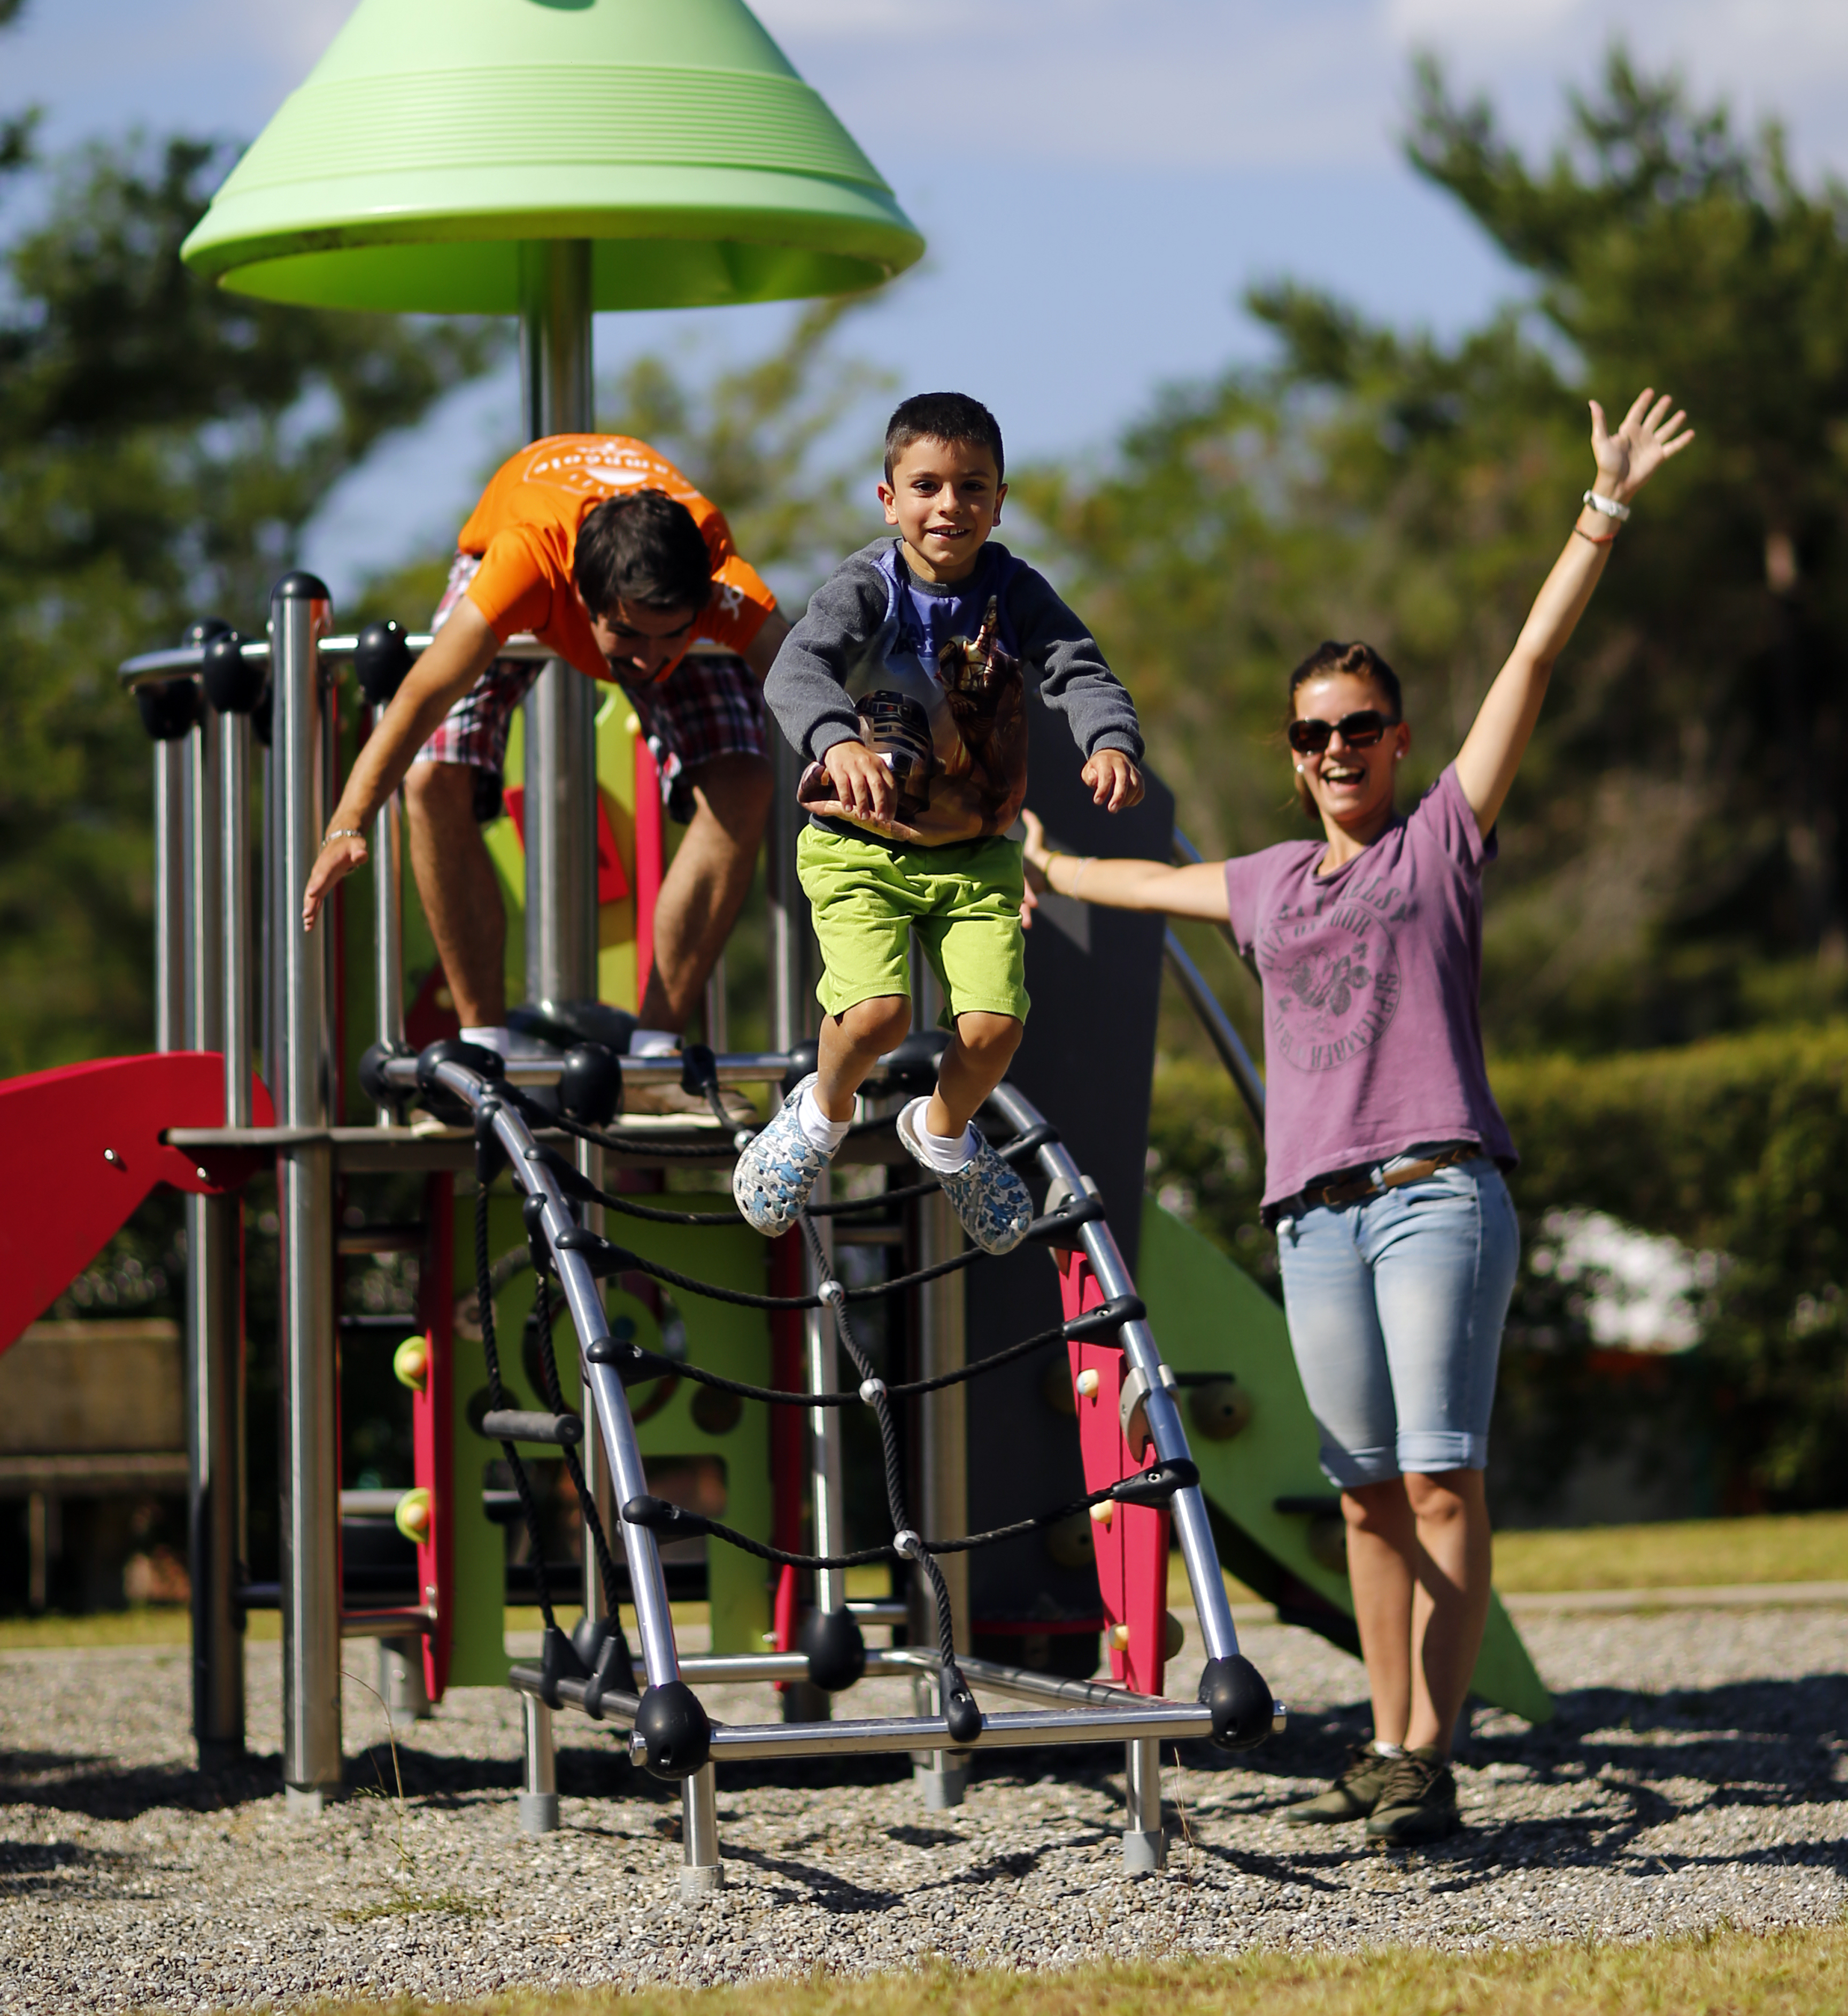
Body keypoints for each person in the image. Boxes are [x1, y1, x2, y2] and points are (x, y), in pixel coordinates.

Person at [1021, 388, 1693, 1847]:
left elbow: (1530, 658)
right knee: (1365, 1498)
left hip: (1436, 1194)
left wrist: (1604, 509)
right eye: (1314, 733)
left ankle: (1429, 1755)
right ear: (1294, 751)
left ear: (1397, 744)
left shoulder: (1443, 843)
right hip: (1315, 1215)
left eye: (1361, 729)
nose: (1336, 750)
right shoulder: (1269, 883)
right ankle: (1389, 1739)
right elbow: (1148, 888)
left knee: (1443, 1475)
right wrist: (1050, 867)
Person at [733, 390, 1145, 1249]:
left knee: (995, 1030)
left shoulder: (1017, 592)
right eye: (926, 486)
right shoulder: (867, 587)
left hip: (974, 858)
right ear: (890, 500)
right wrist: (836, 741)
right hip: (861, 848)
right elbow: (795, 668)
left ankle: (945, 1132)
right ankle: (820, 1113)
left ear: (1000, 501)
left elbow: (1080, 668)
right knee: (878, 1016)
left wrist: (1109, 741)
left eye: (971, 488)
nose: (948, 507)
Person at [302, 433, 789, 1056]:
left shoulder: (719, 577)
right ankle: (484, 1048)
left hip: (666, 557)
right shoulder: (526, 564)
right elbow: (422, 696)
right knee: (431, 778)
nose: (646, 659)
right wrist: (347, 823)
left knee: (745, 781)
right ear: (583, 602)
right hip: (519, 538)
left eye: (670, 636)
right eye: (626, 635)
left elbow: (806, 682)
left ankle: (655, 1055)